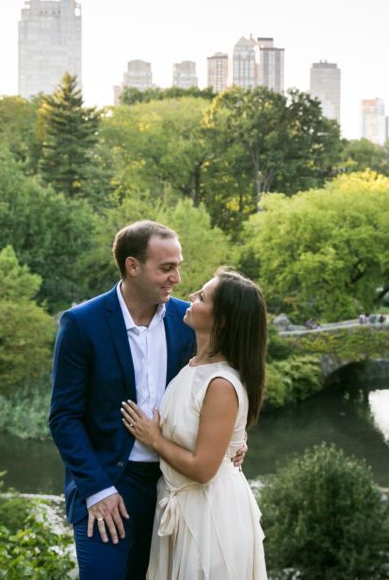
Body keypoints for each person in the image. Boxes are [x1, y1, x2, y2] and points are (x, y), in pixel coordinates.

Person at [49, 221, 245, 580]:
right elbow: (63, 417)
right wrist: (97, 490)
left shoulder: (188, 319)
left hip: (174, 488)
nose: (177, 278)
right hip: (108, 486)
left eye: (178, 266)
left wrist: (235, 439)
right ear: (132, 266)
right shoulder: (81, 323)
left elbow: (219, 381)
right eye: (166, 268)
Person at [122, 268, 268, 579]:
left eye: (201, 297)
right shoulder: (192, 365)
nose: (190, 297)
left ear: (223, 319)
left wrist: (154, 439)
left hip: (210, 514)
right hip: (180, 504)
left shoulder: (220, 383)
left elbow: (204, 469)